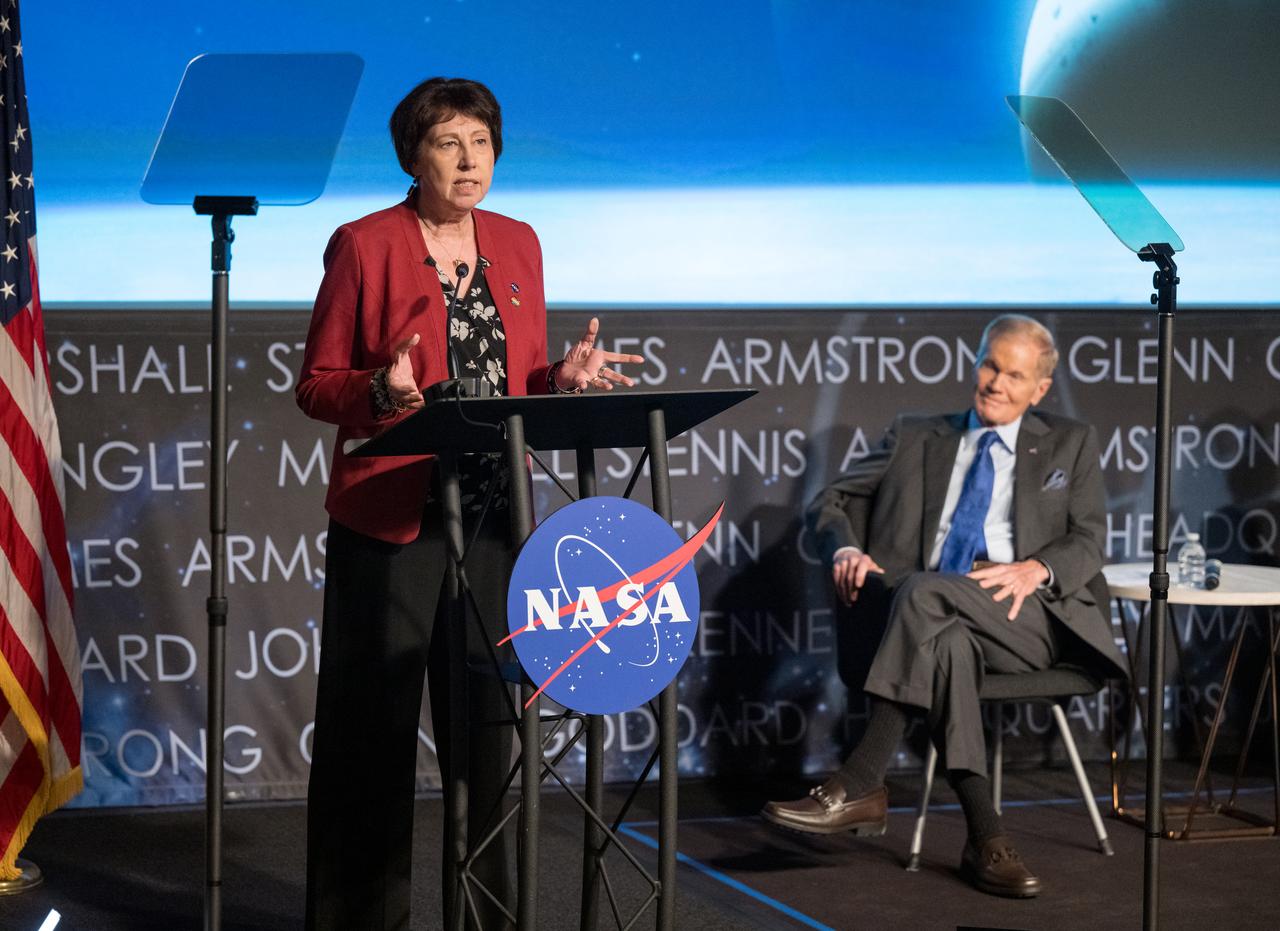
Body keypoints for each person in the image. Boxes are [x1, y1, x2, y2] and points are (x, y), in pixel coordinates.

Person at [295, 77, 644, 931]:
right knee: (368, 746)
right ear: (413, 155)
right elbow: (314, 385)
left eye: (481, 141)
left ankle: (488, 918)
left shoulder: (518, 243)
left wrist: (559, 380)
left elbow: (513, 380)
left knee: (488, 743)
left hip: (496, 519)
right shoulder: (364, 244)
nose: (468, 159)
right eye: (449, 142)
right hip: (392, 525)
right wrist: (380, 387)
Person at [763, 314, 1126, 898]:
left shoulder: (1069, 442)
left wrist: (1038, 568)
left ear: (1039, 390)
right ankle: (988, 839)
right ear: (976, 361)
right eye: (989, 365)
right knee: (943, 634)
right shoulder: (915, 434)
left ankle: (860, 780)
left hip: (1025, 615)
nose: (995, 384)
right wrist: (848, 546)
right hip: (936, 618)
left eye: (1014, 375)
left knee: (922, 590)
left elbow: (1089, 539)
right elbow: (831, 500)